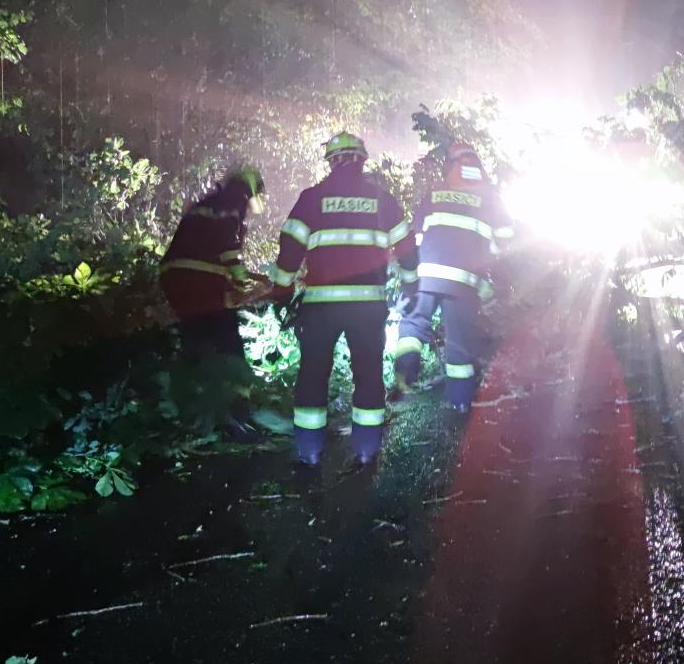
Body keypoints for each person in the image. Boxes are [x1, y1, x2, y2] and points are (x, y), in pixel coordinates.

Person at [272, 130, 417, 468]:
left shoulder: (311, 198)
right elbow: (407, 247)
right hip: (368, 306)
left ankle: (309, 452)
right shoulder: (382, 199)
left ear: (332, 162)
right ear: (361, 161)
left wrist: (281, 292)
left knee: (312, 374)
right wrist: (410, 284)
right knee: (367, 374)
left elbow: (290, 248)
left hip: (321, 307)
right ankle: (366, 450)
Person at [394, 142, 513, 411]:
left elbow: (416, 234)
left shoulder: (436, 193)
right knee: (460, 341)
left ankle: (404, 376)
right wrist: (492, 263)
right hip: (465, 280)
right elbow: (506, 237)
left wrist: (409, 277)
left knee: (412, 324)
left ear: (451, 164)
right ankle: (459, 402)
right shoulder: (489, 196)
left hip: (426, 274)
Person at [159, 165, 266, 360]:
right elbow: (229, 249)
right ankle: (234, 386)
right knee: (228, 344)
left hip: (173, 278)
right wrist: (243, 286)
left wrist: (250, 279)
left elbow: (210, 249)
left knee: (196, 337)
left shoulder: (210, 203)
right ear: (250, 191)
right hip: (200, 279)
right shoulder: (234, 202)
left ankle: (192, 382)